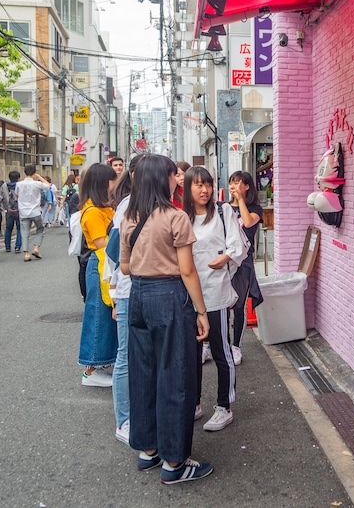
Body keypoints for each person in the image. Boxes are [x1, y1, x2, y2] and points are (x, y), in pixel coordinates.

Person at [120, 154, 213, 484]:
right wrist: (202, 312)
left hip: (138, 296)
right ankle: (175, 462)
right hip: (169, 297)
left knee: (143, 374)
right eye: (174, 174)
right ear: (163, 179)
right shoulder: (176, 217)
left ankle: (149, 450)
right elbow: (187, 270)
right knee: (176, 375)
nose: (179, 178)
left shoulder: (130, 218)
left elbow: (125, 268)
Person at [185, 166, 247, 432]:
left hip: (216, 293)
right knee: (192, 354)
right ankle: (194, 403)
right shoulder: (181, 217)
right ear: (187, 188)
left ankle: (224, 406)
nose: (204, 189)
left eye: (207, 184)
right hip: (189, 296)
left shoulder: (223, 212)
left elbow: (239, 246)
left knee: (221, 351)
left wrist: (224, 258)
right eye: (198, 185)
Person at [106, 154, 145, 445]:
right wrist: (115, 294)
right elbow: (113, 254)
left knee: (139, 355)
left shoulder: (148, 205)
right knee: (126, 355)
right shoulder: (127, 207)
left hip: (141, 290)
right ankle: (124, 420)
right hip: (129, 290)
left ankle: (138, 414)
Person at [77, 163, 118, 387]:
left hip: (107, 263)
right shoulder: (92, 211)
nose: (115, 184)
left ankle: (101, 365)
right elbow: (102, 243)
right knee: (98, 317)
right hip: (100, 264)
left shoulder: (103, 207)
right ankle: (91, 369)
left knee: (105, 316)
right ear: (103, 183)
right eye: (112, 180)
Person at [225, 171, 262, 365]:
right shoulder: (221, 207)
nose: (233, 187)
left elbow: (248, 223)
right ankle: (217, 345)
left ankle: (236, 346)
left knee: (239, 307)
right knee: (222, 305)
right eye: (231, 183)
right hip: (225, 261)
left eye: (238, 183)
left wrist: (240, 201)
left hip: (243, 263)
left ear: (247, 186)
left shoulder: (255, 208)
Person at [16, 165, 51, 262]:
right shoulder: (37, 184)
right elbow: (49, 186)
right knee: (40, 229)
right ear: (34, 173)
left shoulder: (19, 184)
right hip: (35, 211)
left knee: (24, 232)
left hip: (23, 212)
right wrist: (39, 177)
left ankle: (26, 254)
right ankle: (36, 248)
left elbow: (16, 195)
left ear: (24, 173)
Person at [4, 170, 22, 254]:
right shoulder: (21, 186)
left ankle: (7, 246)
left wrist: (7, 208)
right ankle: (17, 247)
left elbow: (3, 198)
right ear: (18, 178)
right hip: (19, 210)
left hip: (9, 210)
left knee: (8, 228)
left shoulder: (5, 186)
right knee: (19, 228)